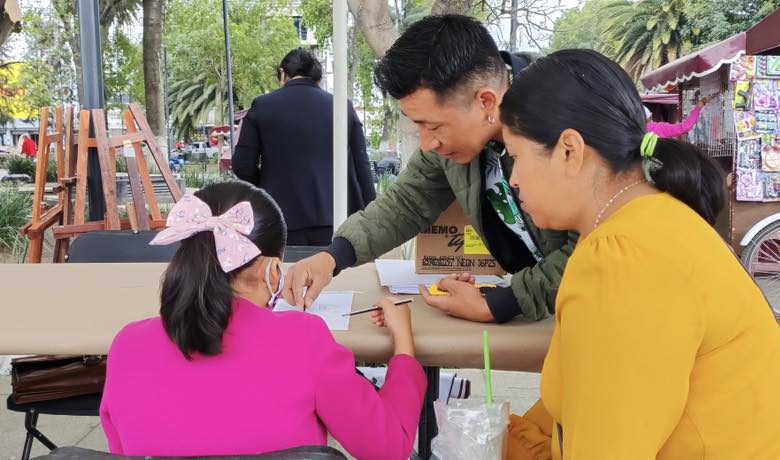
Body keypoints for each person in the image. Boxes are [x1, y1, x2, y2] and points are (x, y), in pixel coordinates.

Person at [500, 50, 780, 459]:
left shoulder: (622, 259)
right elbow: (584, 399)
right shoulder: (648, 223)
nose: (513, 179)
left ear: (569, 150)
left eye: (515, 157)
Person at [99, 181, 425, 458]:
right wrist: (405, 350)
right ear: (272, 270)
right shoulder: (304, 338)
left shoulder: (127, 344)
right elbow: (388, 449)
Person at [285, 15, 576, 324]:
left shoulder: (565, 121)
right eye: (418, 126)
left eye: (433, 126)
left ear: (486, 103)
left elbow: (593, 247)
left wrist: (502, 303)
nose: (427, 144)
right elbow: (406, 203)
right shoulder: (455, 143)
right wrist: (332, 257)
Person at [233, 48, 376, 246]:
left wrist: (267, 185)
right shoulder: (342, 107)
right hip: (337, 218)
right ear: (317, 78)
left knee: (284, 275)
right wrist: (371, 213)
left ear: (283, 73)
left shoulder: (263, 106)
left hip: (279, 217)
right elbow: (362, 165)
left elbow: (242, 165)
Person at [645, 94, 709, 138]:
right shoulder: (659, 128)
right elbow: (685, 127)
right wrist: (698, 107)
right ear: (651, 115)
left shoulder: (635, 131)